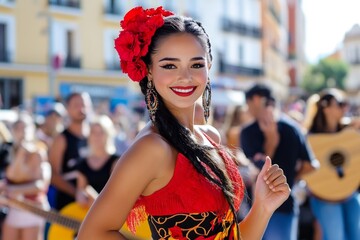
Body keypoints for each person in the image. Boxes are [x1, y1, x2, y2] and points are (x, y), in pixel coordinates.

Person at [77, 6, 290, 240]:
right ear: (148, 70)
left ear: (209, 67)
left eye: (196, 65)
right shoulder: (152, 148)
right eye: (170, 65)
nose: (185, 76)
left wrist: (263, 207)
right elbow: (92, 234)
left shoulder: (210, 137)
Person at [240, 83, 317, 240]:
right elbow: (311, 166)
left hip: (260, 207)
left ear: (256, 100)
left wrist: (272, 141)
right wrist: (290, 179)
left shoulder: (248, 131)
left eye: (247, 103)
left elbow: (261, 170)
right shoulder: (293, 128)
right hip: (283, 204)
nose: (247, 109)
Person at [303, 88, 360, 240]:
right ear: (326, 108)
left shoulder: (350, 132)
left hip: (349, 194)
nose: (345, 108)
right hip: (324, 197)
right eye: (340, 104)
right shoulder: (311, 139)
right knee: (335, 237)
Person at [1, 115, 51, 240]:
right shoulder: (8, 151)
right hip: (13, 209)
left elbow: (40, 185)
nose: (22, 131)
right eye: (18, 127)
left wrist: (14, 189)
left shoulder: (39, 151)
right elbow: (11, 175)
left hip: (33, 208)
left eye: (25, 127)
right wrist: (21, 154)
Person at [48, 92, 91, 210]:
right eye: (76, 105)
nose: (81, 108)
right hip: (68, 206)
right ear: (67, 109)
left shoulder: (95, 136)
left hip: (93, 206)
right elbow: (53, 175)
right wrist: (76, 192)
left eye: (84, 104)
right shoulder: (61, 139)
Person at [75, 115, 119, 207]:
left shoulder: (116, 161)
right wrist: (81, 196)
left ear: (108, 135)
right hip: (88, 212)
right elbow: (80, 189)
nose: (97, 136)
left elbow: (117, 192)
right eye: (93, 132)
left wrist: (97, 201)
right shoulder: (82, 163)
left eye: (101, 133)